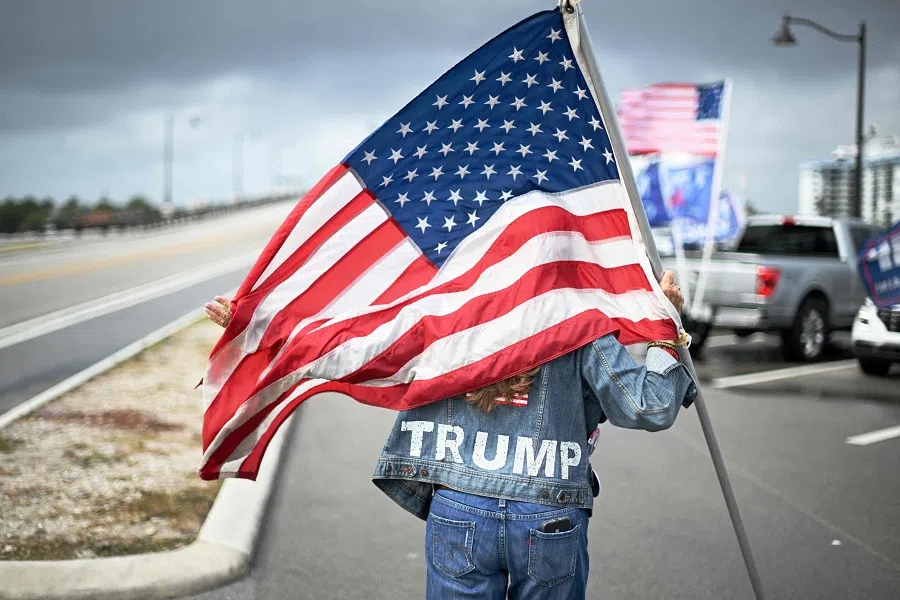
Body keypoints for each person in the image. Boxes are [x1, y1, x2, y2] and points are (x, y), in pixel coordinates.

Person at [204, 271, 696, 600]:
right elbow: (646, 406)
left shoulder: (447, 315)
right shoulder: (583, 319)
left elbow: (352, 347)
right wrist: (665, 334)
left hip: (459, 507)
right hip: (550, 512)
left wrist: (261, 325)